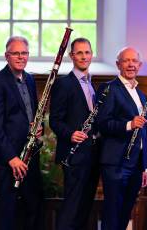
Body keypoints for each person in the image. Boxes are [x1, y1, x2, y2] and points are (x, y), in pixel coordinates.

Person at [0, 36, 43, 230]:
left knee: (32, 206)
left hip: (29, 153)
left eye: (24, 53)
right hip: (9, 158)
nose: (21, 57)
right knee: (7, 208)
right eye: (16, 53)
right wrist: (11, 157)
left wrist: (37, 125)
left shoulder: (29, 79)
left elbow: (32, 112)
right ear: (6, 56)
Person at [49, 37, 99, 230]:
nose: (84, 56)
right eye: (79, 52)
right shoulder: (64, 84)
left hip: (92, 155)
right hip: (74, 154)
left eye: (87, 52)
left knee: (85, 207)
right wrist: (70, 134)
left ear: (91, 54)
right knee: (72, 206)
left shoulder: (92, 85)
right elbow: (55, 120)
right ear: (71, 56)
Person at [96, 47, 147, 230]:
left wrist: (144, 166)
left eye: (134, 61)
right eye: (126, 61)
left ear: (140, 65)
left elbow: (143, 134)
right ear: (118, 64)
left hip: (135, 166)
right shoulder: (109, 88)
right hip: (115, 162)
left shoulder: (141, 95)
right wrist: (129, 124)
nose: (131, 64)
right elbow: (102, 124)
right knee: (112, 214)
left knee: (125, 214)